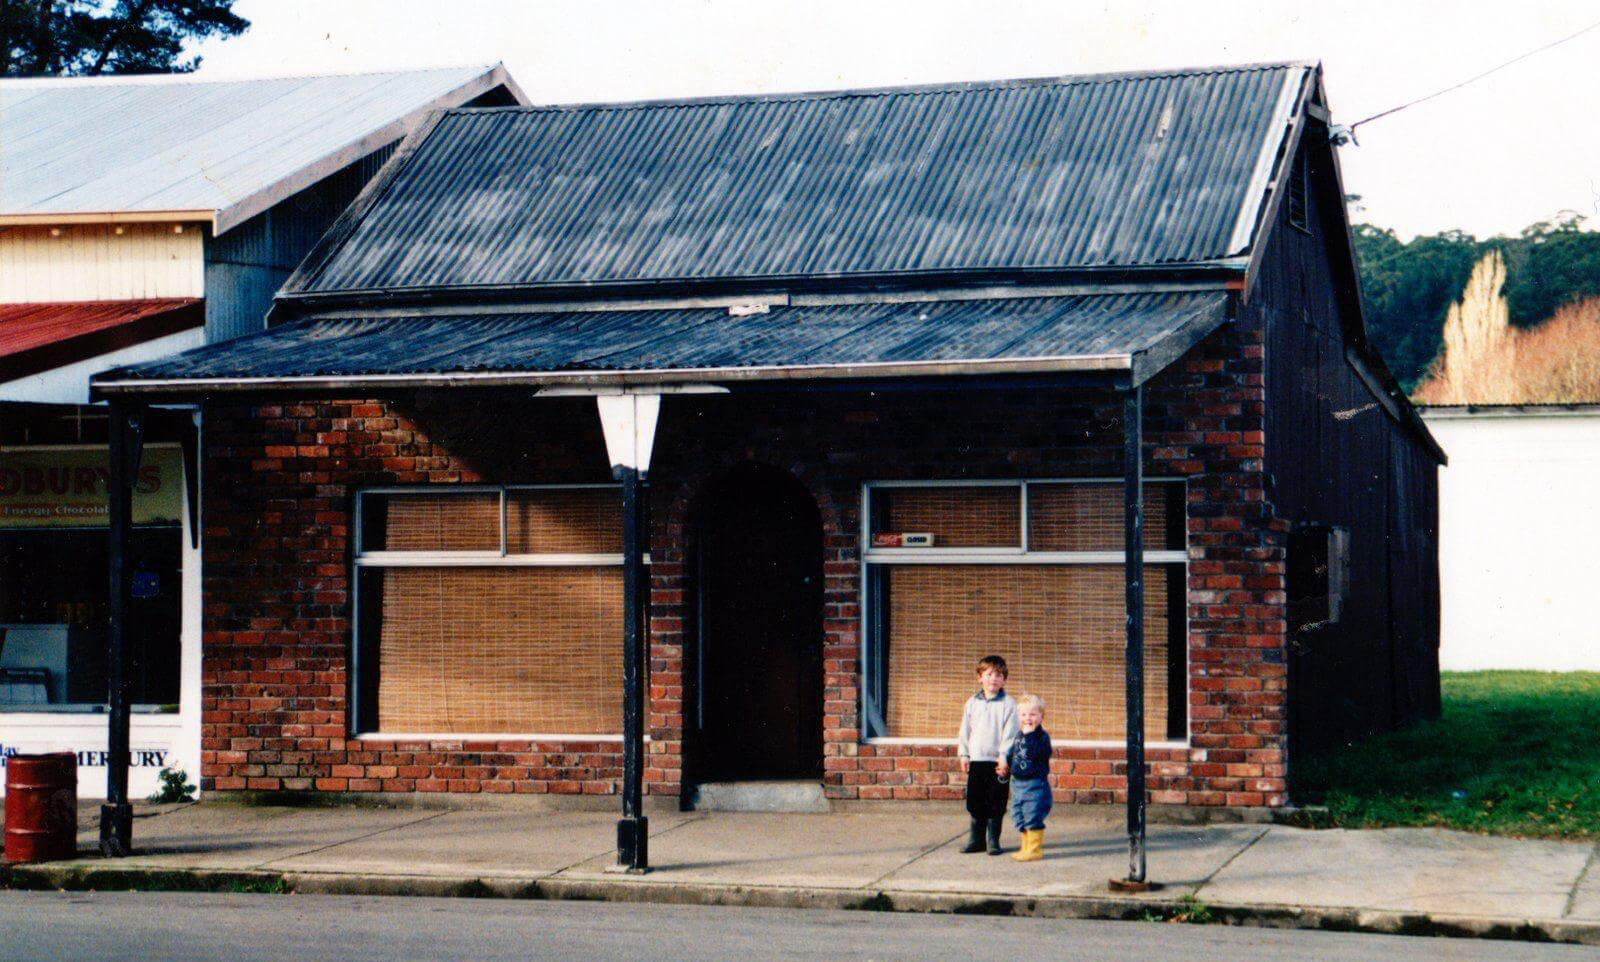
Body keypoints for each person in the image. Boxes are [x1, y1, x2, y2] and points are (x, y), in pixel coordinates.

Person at [956, 654, 1018, 855]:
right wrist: (964, 754)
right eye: (989, 674)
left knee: (996, 800)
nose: (994, 679)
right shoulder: (972, 703)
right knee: (975, 800)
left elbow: (1010, 733)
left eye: (999, 675)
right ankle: (976, 840)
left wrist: (1003, 756)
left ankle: (993, 840)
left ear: (1004, 679)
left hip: (997, 762)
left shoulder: (1008, 704)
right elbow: (965, 730)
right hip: (977, 759)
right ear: (980, 677)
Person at [1006, 693, 1052, 862]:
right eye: (1023, 714)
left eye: (1033, 714)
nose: (1028, 718)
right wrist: (1006, 763)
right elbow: (1014, 752)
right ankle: (1025, 846)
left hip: (1034, 784)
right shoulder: (1019, 734)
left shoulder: (1041, 737)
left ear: (1041, 716)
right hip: (1017, 782)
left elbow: (1036, 753)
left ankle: (1034, 849)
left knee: (1032, 814)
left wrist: (1030, 735)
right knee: (1019, 814)